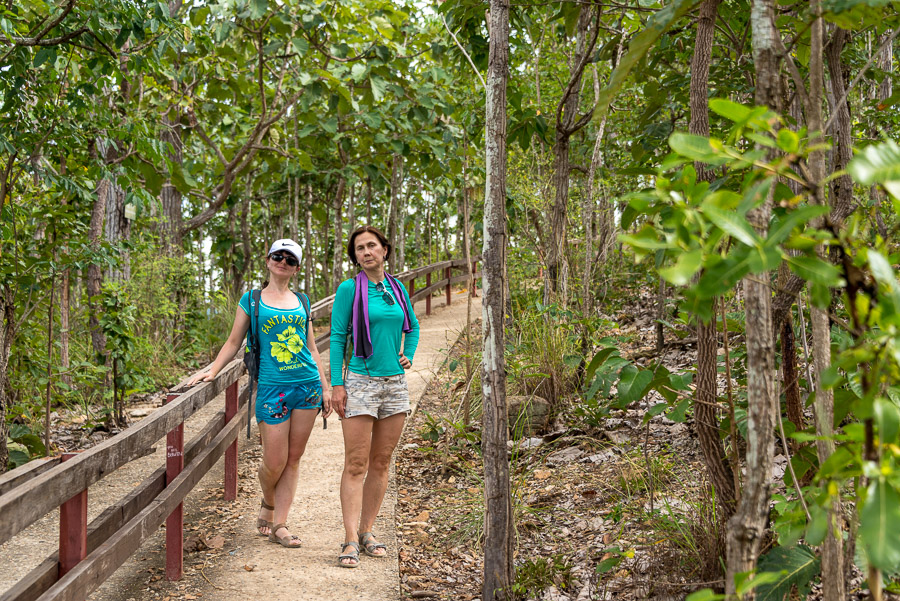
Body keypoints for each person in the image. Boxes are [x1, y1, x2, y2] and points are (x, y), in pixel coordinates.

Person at [188, 239, 332, 548]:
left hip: (306, 386)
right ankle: (268, 502)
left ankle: (280, 524)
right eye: (277, 256)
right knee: (274, 461)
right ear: (267, 261)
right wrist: (212, 371)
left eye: (290, 259)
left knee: (293, 459)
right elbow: (232, 341)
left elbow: (311, 347)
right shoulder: (252, 300)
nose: (283, 262)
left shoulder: (302, 300)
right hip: (272, 388)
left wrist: (325, 385)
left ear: (296, 267)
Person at [330, 225, 420, 568]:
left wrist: (407, 353)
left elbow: (412, 326)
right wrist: (338, 385)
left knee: (381, 462)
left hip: (394, 384)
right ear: (355, 257)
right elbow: (338, 338)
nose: (366, 252)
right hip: (361, 381)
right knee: (356, 464)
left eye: (372, 246)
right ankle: (350, 538)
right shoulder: (349, 290)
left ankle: (368, 531)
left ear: (385, 249)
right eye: (359, 249)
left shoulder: (397, 289)